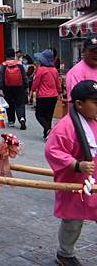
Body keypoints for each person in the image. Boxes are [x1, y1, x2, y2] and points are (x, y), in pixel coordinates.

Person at [45, 80, 97, 266]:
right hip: (74, 182)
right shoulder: (65, 127)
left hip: (93, 179)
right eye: (95, 103)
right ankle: (65, 253)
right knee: (73, 221)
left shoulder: (93, 120)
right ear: (79, 104)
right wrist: (76, 165)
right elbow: (52, 151)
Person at [31, 50, 61, 140]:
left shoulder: (41, 70)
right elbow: (58, 83)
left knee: (39, 114)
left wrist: (32, 90)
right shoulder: (55, 70)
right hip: (53, 96)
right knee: (49, 115)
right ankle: (46, 134)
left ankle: (48, 129)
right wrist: (59, 92)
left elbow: (36, 82)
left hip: (43, 96)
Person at [0, 48, 29, 130]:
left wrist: (1, 89)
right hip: (19, 87)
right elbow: (24, 76)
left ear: (6, 55)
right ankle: (22, 118)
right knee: (20, 103)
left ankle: (11, 121)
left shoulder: (4, 64)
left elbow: (1, 77)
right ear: (14, 55)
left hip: (7, 88)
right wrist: (27, 86)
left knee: (9, 104)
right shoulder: (19, 63)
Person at [66, 34, 97, 100]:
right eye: (93, 51)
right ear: (83, 51)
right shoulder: (75, 73)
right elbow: (74, 102)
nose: (96, 54)